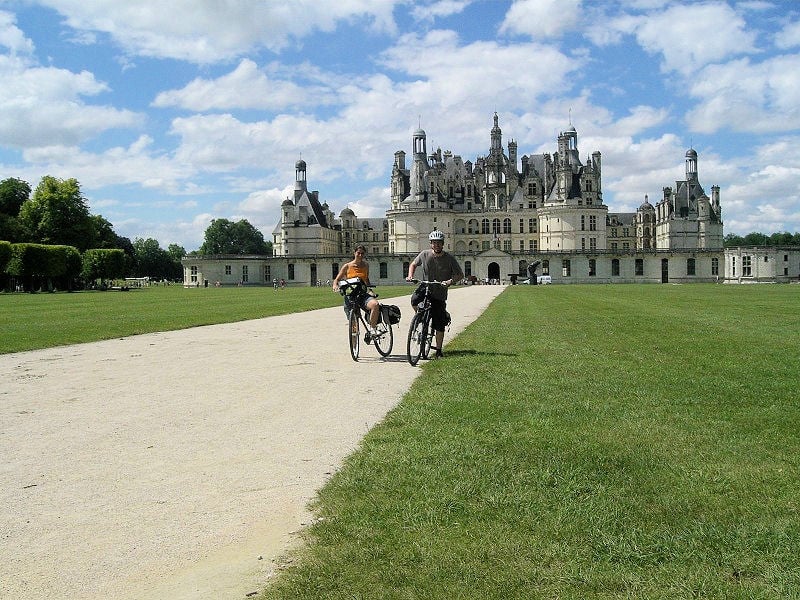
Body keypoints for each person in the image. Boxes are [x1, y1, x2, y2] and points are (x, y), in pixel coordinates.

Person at [406, 230, 463, 358]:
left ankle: (438, 350)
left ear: (442, 244)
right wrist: (410, 275)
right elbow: (413, 264)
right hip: (425, 286)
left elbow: (460, 274)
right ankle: (419, 316)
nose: (436, 245)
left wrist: (449, 281)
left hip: (439, 291)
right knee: (414, 300)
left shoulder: (449, 258)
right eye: (434, 243)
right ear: (431, 244)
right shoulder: (424, 254)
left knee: (439, 323)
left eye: (439, 243)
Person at [332, 244, 381, 340]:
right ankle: (354, 349)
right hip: (351, 296)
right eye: (358, 253)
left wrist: (370, 290)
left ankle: (372, 329)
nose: (360, 255)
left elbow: (366, 279)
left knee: (375, 304)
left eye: (362, 253)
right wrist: (335, 285)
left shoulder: (366, 265)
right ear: (354, 253)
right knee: (354, 324)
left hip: (362, 294)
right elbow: (337, 279)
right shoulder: (347, 266)